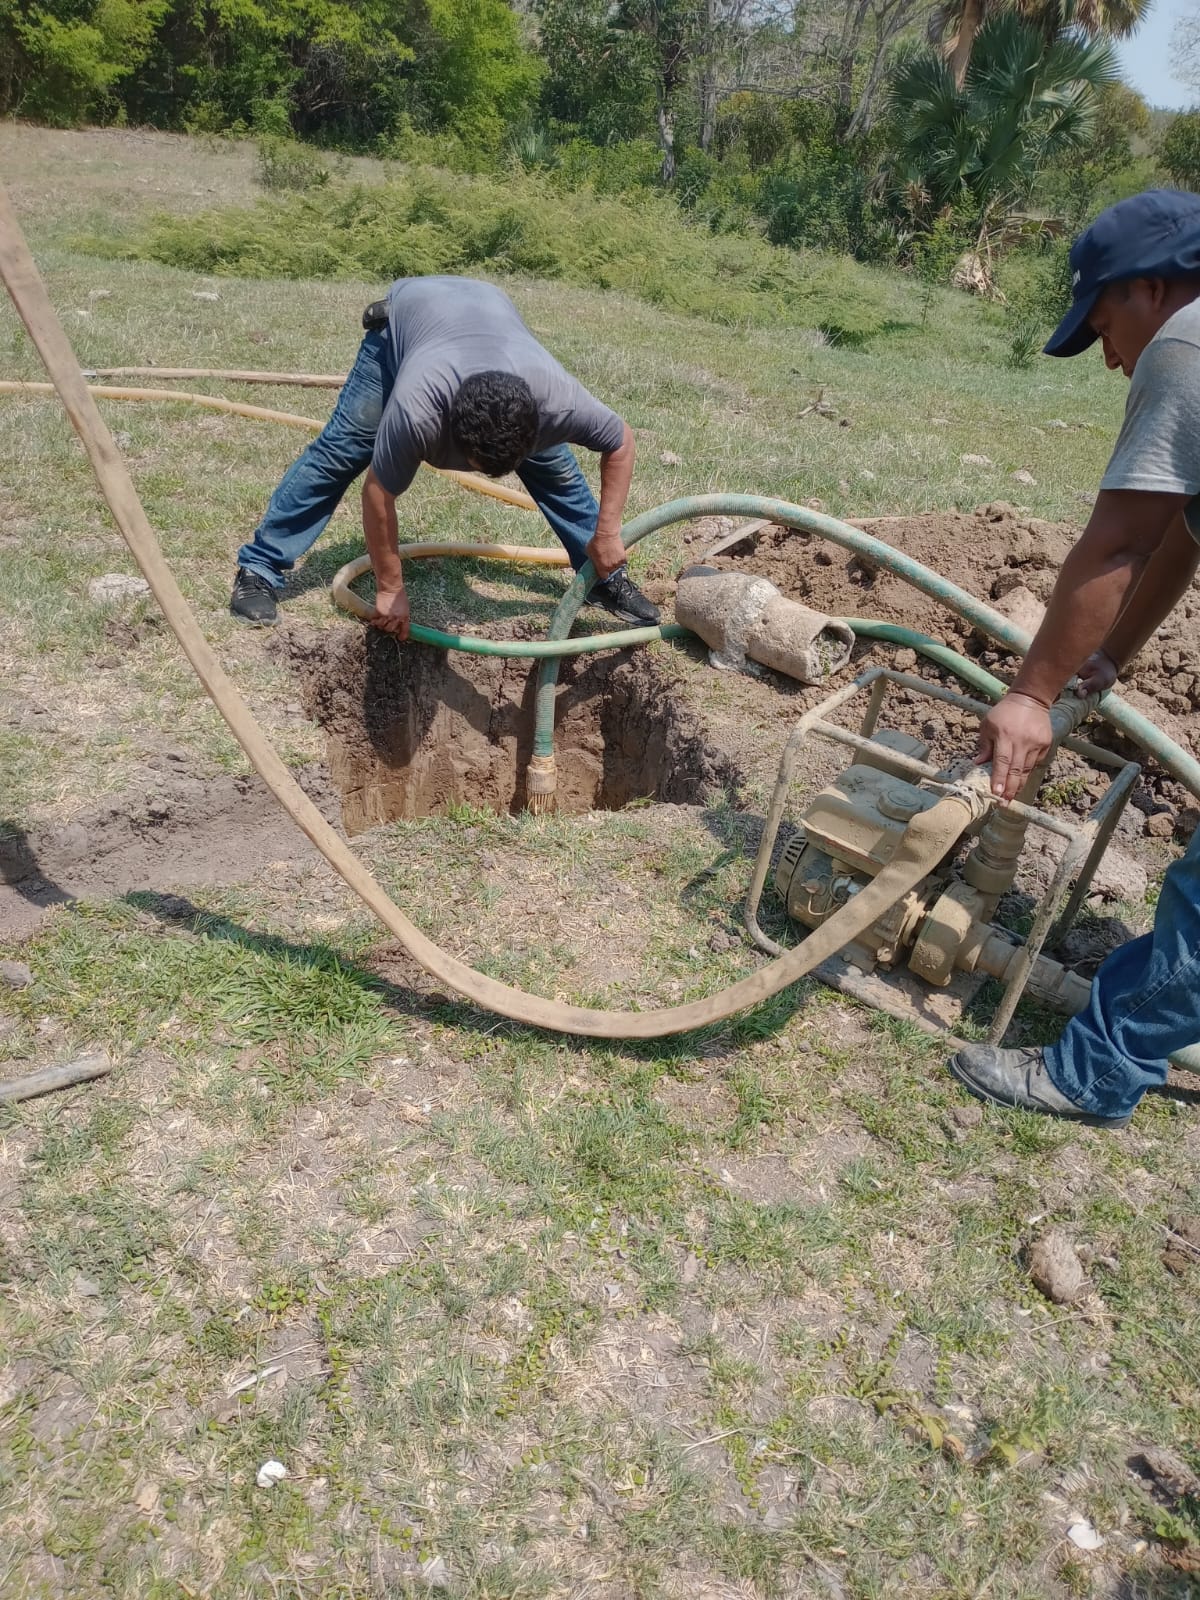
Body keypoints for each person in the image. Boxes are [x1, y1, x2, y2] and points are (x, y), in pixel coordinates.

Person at [949, 189, 1200, 1129]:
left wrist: (1030, 694)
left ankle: (1093, 1074)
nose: (1108, 355)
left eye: (1103, 322)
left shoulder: (1187, 342)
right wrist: (1113, 658)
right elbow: (1182, 529)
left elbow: (1117, 544)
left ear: (1150, 287)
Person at [229, 275, 660, 634]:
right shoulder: (418, 411)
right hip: (403, 324)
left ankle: (603, 576)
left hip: (489, 315)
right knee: (342, 451)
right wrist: (391, 587)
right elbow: (378, 495)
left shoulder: (557, 402)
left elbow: (620, 442)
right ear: (452, 434)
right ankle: (259, 570)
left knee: (556, 469)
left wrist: (606, 534)